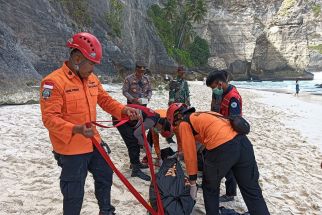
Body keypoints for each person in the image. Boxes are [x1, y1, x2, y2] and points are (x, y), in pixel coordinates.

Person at [40, 32, 140, 215]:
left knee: (105, 175)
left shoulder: (91, 79)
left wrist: (123, 110)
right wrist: (76, 129)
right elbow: (49, 119)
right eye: (92, 63)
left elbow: (105, 100)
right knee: (74, 192)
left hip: (93, 141)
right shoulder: (53, 82)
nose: (93, 69)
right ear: (77, 58)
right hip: (71, 148)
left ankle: (106, 211)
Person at [166, 103, 270, 215]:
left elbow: (190, 155)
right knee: (252, 190)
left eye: (174, 124)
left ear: (177, 118)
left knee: (210, 188)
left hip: (222, 147)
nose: (176, 126)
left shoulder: (184, 123)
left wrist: (192, 183)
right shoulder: (204, 114)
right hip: (243, 143)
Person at [206, 70, 242, 202]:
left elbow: (235, 120)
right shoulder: (223, 93)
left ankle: (230, 194)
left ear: (219, 83)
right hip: (222, 133)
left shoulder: (232, 97)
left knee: (229, 167)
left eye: (213, 87)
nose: (214, 90)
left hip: (230, 136)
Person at [167, 66, 190, 144]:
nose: (183, 73)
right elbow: (171, 94)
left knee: (183, 120)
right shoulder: (174, 82)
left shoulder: (185, 82)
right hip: (176, 105)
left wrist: (188, 105)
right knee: (174, 121)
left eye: (183, 71)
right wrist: (172, 105)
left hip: (183, 105)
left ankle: (181, 136)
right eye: (181, 71)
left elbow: (187, 94)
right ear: (178, 72)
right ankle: (169, 137)